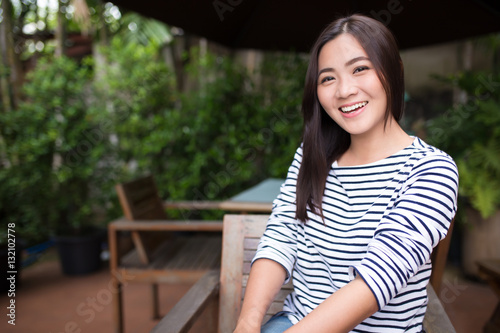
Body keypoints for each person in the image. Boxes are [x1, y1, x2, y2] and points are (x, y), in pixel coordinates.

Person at [234, 13, 458, 333]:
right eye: (328, 78)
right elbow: (281, 239)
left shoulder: (431, 171)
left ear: (395, 69)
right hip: (295, 322)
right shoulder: (312, 157)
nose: (344, 90)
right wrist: (248, 322)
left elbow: (376, 281)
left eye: (360, 68)